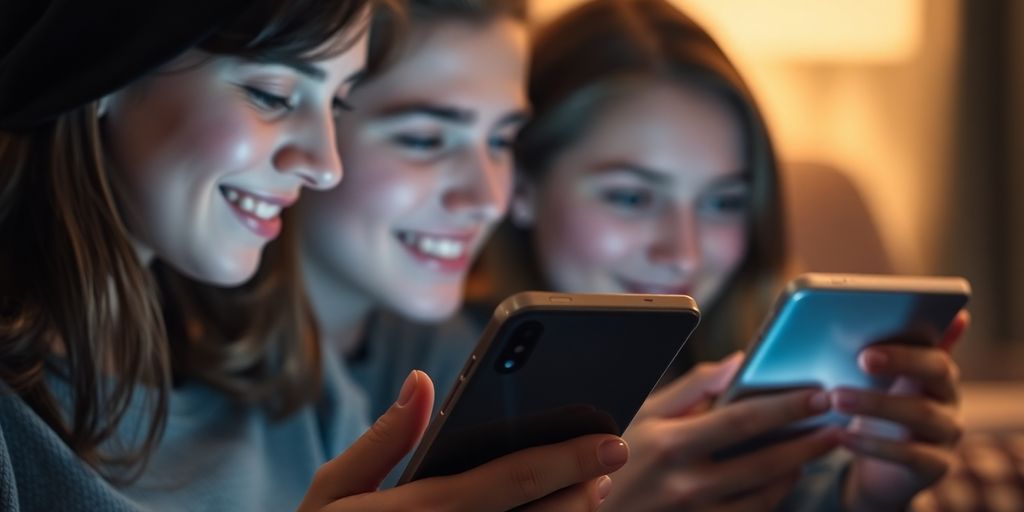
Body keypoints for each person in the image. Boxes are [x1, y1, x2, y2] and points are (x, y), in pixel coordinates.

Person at [0, 0, 624, 510]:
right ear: (102, 69)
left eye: (336, 100)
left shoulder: (284, 370)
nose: (325, 165)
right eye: (272, 95)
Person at [474, 0, 969, 510]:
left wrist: (864, 495)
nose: (683, 253)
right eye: (631, 197)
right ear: (522, 187)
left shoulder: (756, 380)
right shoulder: (425, 383)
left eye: (723, 202)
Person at [295, 0, 530, 421]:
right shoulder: (159, 381)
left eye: (500, 141)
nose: (489, 200)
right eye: (423, 140)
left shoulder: (450, 359)